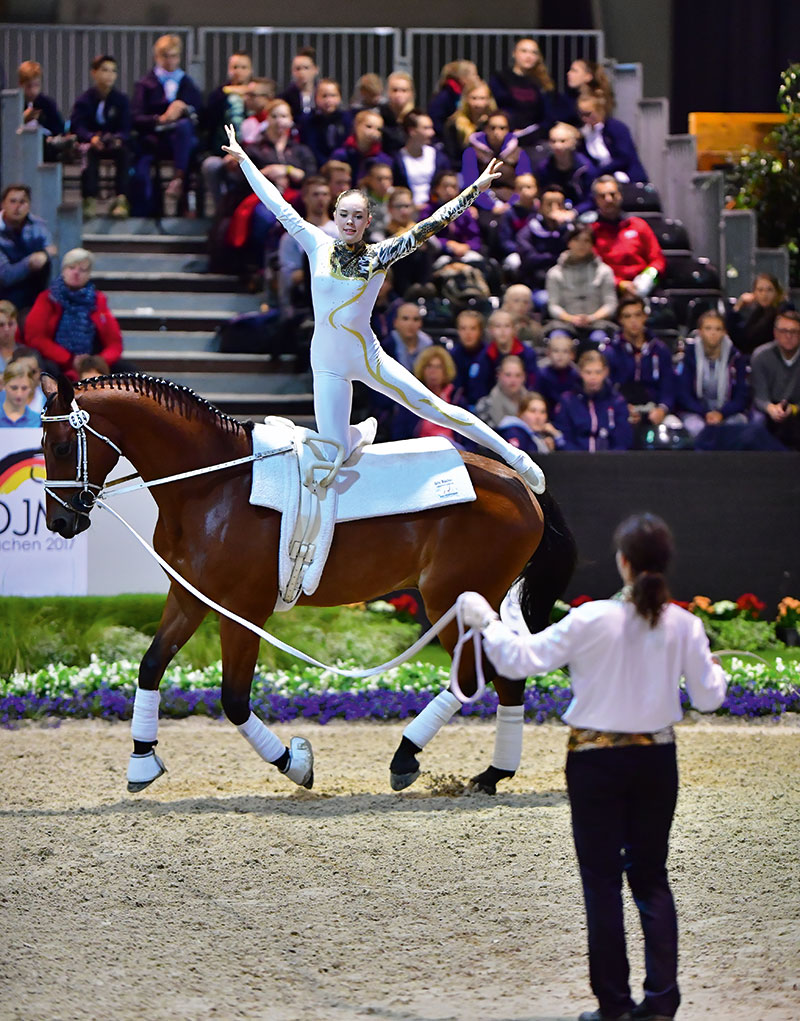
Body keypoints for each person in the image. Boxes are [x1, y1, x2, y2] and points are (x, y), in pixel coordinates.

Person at [458, 513, 728, 1021]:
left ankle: (614, 1006)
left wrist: (487, 619)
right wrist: (719, 673)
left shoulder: (591, 618)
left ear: (623, 563)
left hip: (595, 761)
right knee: (650, 878)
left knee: (602, 883)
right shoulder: (685, 624)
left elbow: (519, 661)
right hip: (656, 760)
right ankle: (663, 1002)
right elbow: (710, 699)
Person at [223, 125, 545, 492]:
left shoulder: (380, 255)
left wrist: (474, 191)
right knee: (334, 454)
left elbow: (430, 225)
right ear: (335, 214)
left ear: (367, 221)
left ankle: (516, 457)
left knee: (434, 407)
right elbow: (277, 204)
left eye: (358, 216)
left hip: (367, 357)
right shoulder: (316, 243)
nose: (349, 222)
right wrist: (245, 159)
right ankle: (360, 433)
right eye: (344, 214)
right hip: (326, 362)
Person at [24, 247, 124, 381]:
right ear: (63, 270)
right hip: (58, 362)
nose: (76, 273)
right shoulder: (48, 298)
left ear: (89, 274)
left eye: (82, 270)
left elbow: (115, 342)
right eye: (72, 268)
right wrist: (69, 359)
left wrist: (98, 361)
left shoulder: (98, 300)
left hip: (91, 363)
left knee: (128, 372)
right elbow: (35, 338)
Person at [131, 35, 204, 216]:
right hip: (155, 139)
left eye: (174, 56)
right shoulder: (145, 85)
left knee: (185, 130)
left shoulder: (186, 83)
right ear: (157, 57)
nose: (170, 61)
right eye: (166, 56)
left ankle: (180, 185)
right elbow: (136, 117)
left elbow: (202, 113)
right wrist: (161, 119)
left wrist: (185, 108)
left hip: (181, 140)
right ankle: (175, 185)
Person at [70, 54, 132, 219]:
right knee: (88, 153)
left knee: (125, 153)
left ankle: (121, 200)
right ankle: (89, 200)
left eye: (113, 71)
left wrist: (118, 138)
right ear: (94, 73)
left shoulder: (122, 100)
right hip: (92, 144)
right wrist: (91, 137)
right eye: (105, 70)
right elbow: (77, 126)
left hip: (114, 144)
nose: (109, 75)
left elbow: (126, 127)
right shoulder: (84, 100)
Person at [602, 296, 675, 435]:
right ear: (620, 320)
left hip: (654, 409)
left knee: (674, 428)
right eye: (627, 316)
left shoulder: (660, 350)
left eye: (637, 315)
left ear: (645, 317)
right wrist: (622, 408)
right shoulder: (610, 351)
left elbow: (669, 386)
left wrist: (662, 409)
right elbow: (607, 387)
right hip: (621, 410)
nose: (633, 321)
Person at [675, 311, 749, 438]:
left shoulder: (736, 358)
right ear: (700, 332)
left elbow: (741, 395)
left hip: (728, 413)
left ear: (724, 332)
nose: (713, 333)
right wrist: (705, 413)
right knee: (695, 428)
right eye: (708, 328)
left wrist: (722, 413)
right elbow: (683, 393)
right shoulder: (690, 355)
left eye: (718, 329)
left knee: (737, 426)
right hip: (697, 412)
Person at [544, 224, 618, 346]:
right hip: (565, 324)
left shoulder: (605, 271)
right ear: (569, 243)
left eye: (586, 241)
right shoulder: (554, 273)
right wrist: (571, 318)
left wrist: (591, 318)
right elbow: (553, 306)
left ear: (592, 245)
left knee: (600, 342)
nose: (581, 245)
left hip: (597, 324)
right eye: (577, 240)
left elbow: (610, 304)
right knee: (558, 340)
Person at [591, 177, 665, 297]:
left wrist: (646, 280)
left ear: (620, 195)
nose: (608, 199)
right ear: (596, 200)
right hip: (607, 292)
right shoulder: (591, 232)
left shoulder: (638, 225)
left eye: (612, 194)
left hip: (643, 288)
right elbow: (592, 269)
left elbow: (658, 261)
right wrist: (619, 284)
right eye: (602, 196)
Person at [201, 51, 254, 212]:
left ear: (250, 70)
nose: (239, 71)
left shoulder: (258, 93)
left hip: (255, 154)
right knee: (211, 166)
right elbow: (208, 124)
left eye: (243, 67)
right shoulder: (218, 96)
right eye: (235, 67)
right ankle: (222, 212)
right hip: (223, 153)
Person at [554, 349, 633, 451]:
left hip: (611, 461)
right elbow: (566, 438)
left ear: (605, 372)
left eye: (598, 372)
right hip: (575, 461)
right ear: (580, 372)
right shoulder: (568, 401)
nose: (593, 377)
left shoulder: (617, 401)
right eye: (588, 372)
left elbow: (623, 440)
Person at [0, 184, 57, 317]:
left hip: (33, 297)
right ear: (3, 204)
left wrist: (45, 255)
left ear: (29, 206)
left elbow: (51, 250)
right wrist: (30, 262)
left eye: (22, 202)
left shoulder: (38, 226)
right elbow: (5, 276)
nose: (17, 207)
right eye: (13, 201)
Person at [462, 111, 535, 213]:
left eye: (502, 128)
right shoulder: (471, 152)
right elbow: (470, 184)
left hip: (513, 204)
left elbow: (525, 183)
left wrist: (509, 205)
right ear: (485, 129)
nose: (497, 132)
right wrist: (491, 206)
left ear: (508, 130)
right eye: (492, 128)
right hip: (481, 204)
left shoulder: (518, 153)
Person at [750, 309, 800, 450]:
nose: (788, 336)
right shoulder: (761, 356)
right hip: (768, 407)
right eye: (784, 331)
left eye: (794, 332)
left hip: (796, 408)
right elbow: (759, 396)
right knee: (756, 423)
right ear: (775, 333)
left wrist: (794, 409)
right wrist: (770, 408)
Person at [391, 346, 459, 442]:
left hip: (453, 450)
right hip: (421, 450)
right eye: (429, 366)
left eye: (438, 367)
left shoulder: (456, 398)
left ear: (445, 371)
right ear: (422, 370)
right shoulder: (411, 399)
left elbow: (469, 438)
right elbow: (399, 434)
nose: (433, 371)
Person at [489, 37, 555, 134]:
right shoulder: (501, 78)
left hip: (535, 134)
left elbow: (547, 114)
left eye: (534, 53)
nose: (529, 56)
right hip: (507, 132)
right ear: (514, 53)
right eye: (524, 51)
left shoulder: (542, 82)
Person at [577, 94, 648, 184]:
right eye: (581, 114)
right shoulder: (586, 133)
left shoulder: (616, 128)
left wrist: (600, 172)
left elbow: (624, 158)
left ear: (600, 110)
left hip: (627, 178)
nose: (584, 118)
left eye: (588, 114)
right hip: (601, 180)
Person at [535, 122, 596, 213]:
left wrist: (574, 212)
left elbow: (591, 199)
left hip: (581, 213)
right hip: (551, 211)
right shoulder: (544, 167)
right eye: (553, 141)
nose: (557, 146)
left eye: (563, 141)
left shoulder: (585, 168)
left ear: (573, 142)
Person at [391, 110, 450, 206]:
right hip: (408, 211)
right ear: (412, 131)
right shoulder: (397, 159)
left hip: (435, 209)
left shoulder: (439, 157)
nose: (432, 133)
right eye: (426, 128)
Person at [477, 308, 539, 393]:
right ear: (491, 330)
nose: (502, 331)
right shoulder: (484, 356)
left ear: (514, 329)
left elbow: (533, 385)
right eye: (498, 326)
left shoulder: (528, 354)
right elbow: (479, 388)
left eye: (507, 326)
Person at [726, 273, 789, 355]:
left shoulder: (782, 311)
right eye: (760, 290)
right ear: (754, 293)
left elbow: (751, 340)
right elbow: (740, 339)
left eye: (769, 290)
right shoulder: (758, 311)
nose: (764, 294)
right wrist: (738, 306)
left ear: (777, 292)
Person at [17, 60, 67, 163]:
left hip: (45, 147)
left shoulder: (47, 103)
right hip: (20, 147)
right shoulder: (15, 104)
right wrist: (22, 119)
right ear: (21, 85)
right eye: (29, 86)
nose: (33, 91)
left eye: (36, 85)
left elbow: (59, 127)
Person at [299, 79, 353, 168]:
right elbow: (310, 146)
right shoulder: (308, 120)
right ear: (316, 98)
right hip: (316, 165)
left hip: (342, 165)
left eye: (333, 95)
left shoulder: (347, 118)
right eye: (324, 96)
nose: (328, 100)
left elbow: (347, 144)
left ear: (339, 97)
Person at [331, 109, 392, 186]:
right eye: (369, 127)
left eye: (378, 129)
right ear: (356, 125)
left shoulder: (384, 160)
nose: (374, 132)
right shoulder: (340, 155)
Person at [442, 78, 497, 164]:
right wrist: (479, 128)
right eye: (474, 98)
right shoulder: (454, 124)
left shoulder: (496, 122)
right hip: (462, 168)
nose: (478, 103)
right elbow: (453, 154)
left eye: (482, 98)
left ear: (489, 100)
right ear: (466, 99)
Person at [475, 353, 531, 431]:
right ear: (499, 375)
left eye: (518, 375)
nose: (513, 380)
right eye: (508, 375)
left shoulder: (533, 404)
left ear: (524, 377)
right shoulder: (485, 406)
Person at [497, 390, 564, 454]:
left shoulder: (540, 438)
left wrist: (556, 436)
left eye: (542, 412)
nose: (538, 417)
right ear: (521, 414)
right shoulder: (514, 433)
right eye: (532, 411)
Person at [428, 60, 478, 137]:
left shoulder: (461, 93)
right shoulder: (446, 96)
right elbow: (436, 121)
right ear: (463, 78)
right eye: (474, 74)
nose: (477, 78)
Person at [451, 308, 488, 410]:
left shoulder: (490, 354)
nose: (468, 333)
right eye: (463, 328)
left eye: (473, 328)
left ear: (480, 331)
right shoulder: (452, 356)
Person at [380, 302, 433, 373]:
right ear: (395, 322)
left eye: (415, 319)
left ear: (421, 323)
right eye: (405, 319)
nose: (410, 324)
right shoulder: (385, 347)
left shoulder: (429, 346)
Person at [537, 330, 582, 413]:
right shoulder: (542, 375)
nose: (560, 355)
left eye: (565, 351)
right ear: (548, 353)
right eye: (556, 351)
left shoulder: (577, 375)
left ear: (572, 355)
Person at [378, 71, 416, 156]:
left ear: (411, 93)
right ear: (388, 92)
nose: (399, 94)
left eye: (404, 90)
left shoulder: (416, 118)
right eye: (394, 90)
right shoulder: (380, 115)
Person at [280, 47, 318, 121]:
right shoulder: (285, 97)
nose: (302, 72)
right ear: (292, 71)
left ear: (315, 70)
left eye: (306, 68)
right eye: (298, 69)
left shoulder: (323, 94)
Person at [0, 362, 40, 427]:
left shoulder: (38, 421)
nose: (19, 394)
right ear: (4, 385)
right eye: (14, 388)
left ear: (31, 387)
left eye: (24, 388)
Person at [0, 300, 22, 371]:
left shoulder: (28, 354)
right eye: (1, 325)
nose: (6, 329)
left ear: (17, 325)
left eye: (10, 324)